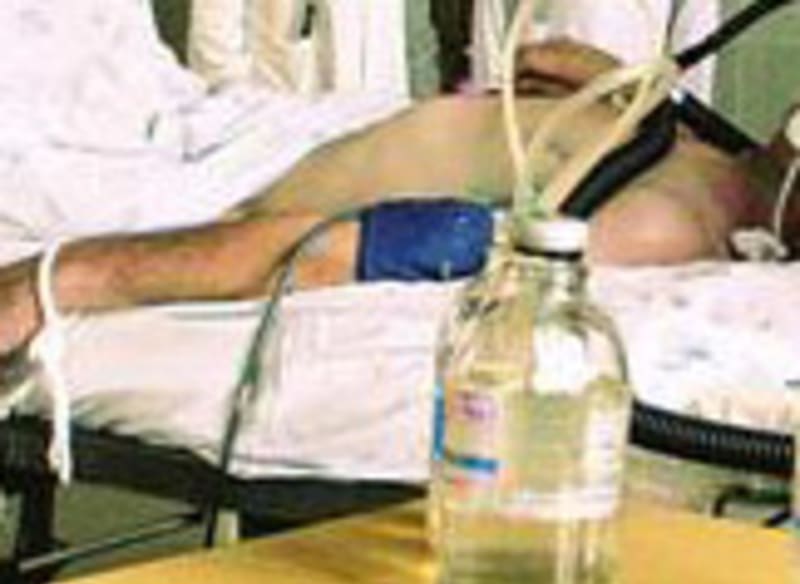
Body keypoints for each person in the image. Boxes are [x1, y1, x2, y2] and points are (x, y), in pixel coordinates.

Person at [0, 31, 795, 360]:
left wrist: (59, 279)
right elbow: (543, 58)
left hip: (204, 180)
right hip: (242, 121)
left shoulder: (664, 225)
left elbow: (345, 247)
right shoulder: (713, 155)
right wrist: (632, 99)